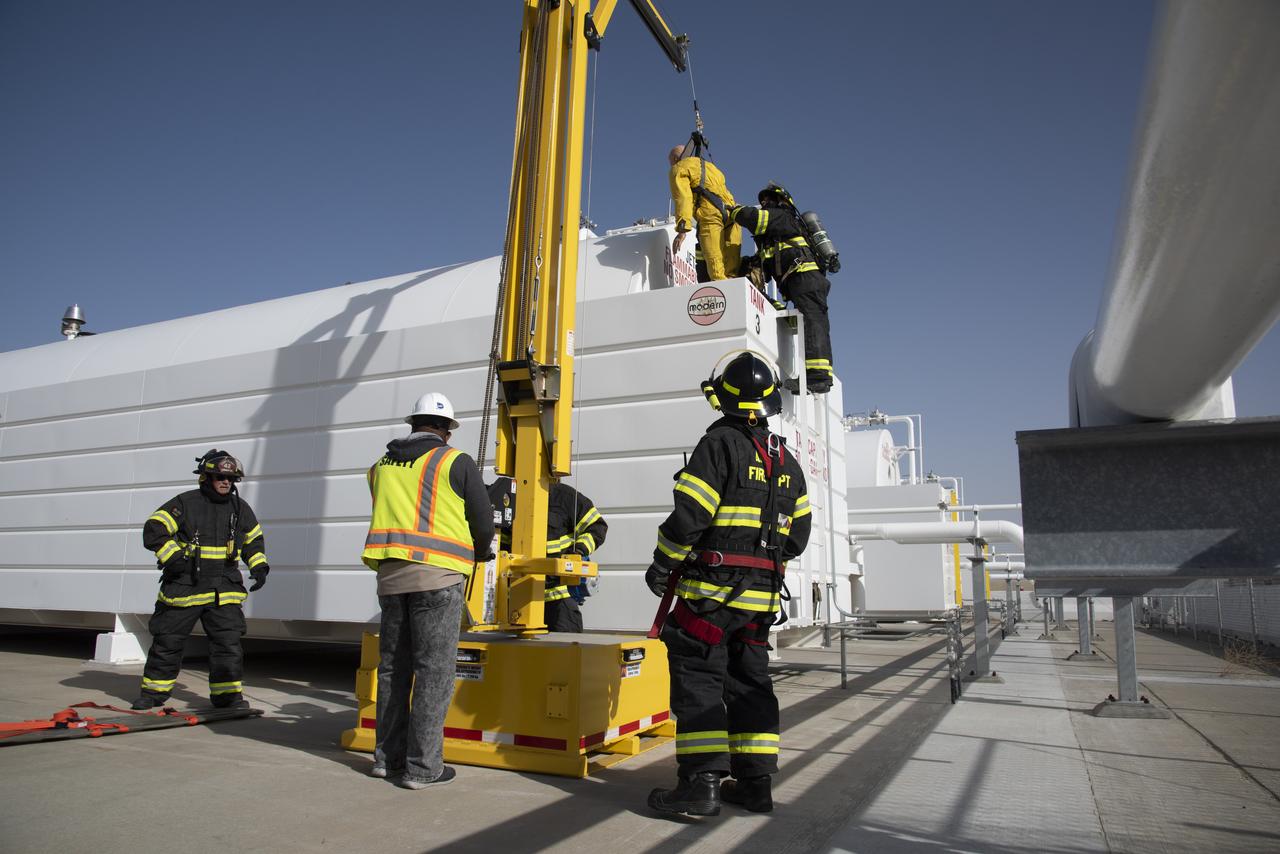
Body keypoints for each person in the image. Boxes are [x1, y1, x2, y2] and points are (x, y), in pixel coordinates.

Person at [644, 353, 812, 816]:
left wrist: (662, 566)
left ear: (722, 395)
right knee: (750, 685)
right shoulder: (786, 460)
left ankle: (700, 785)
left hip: (711, 596)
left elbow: (691, 516)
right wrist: (759, 562)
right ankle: (755, 785)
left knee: (699, 681)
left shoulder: (718, 444)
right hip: (759, 602)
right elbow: (797, 536)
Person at [362, 392, 494, 789]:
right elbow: (482, 518)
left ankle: (387, 760)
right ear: (446, 429)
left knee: (392, 671)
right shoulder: (455, 461)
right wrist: (482, 550)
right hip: (437, 578)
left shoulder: (379, 467)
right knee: (433, 673)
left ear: (413, 423)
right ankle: (423, 768)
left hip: (390, 579)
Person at [133, 449, 269, 710]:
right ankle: (152, 694)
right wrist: (173, 557)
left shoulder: (240, 509)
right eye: (219, 476)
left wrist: (259, 565)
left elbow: (253, 540)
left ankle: (227, 697)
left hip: (224, 589)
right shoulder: (185, 503)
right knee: (168, 642)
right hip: (185, 586)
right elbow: (154, 529)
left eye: (230, 479)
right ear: (205, 477)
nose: (226, 482)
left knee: (228, 645)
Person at [731, 183, 836, 393]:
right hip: (799, 280)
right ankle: (816, 375)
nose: (764, 204)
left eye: (768, 200)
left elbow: (754, 219)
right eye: (762, 201)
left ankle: (817, 376)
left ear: (781, 201)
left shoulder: (781, 216)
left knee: (813, 320)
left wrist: (734, 210)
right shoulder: (775, 237)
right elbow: (767, 264)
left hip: (805, 277)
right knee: (809, 319)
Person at [488, 476, 608, 633]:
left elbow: (596, 526)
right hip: (516, 599)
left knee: (567, 651)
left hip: (558, 597)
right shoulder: (507, 497)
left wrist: (578, 551)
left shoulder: (566, 497)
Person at [669, 144, 742, 281]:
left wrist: (682, 230)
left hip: (711, 215)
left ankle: (725, 297)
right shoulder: (712, 168)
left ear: (675, 158)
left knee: (716, 272)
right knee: (731, 272)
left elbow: (683, 198)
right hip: (732, 216)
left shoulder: (679, 168)